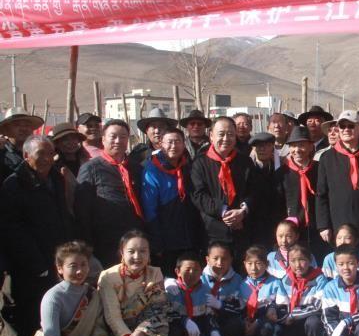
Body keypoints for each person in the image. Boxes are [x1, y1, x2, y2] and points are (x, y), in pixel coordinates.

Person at [0, 135, 75, 336]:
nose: (46, 159)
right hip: (30, 264)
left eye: (50, 154)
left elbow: (63, 215)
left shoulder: (55, 177)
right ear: (26, 155)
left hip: (57, 257)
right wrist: (36, 263)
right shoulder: (13, 185)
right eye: (40, 154)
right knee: (32, 315)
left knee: (56, 312)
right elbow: (12, 230)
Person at [98, 231, 169, 336]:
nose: (137, 257)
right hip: (118, 331)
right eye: (131, 251)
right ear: (122, 253)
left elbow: (158, 309)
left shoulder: (155, 273)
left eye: (143, 251)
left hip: (146, 327)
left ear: (149, 253)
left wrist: (141, 332)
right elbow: (112, 317)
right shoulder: (108, 277)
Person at [191, 116, 263, 263]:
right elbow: (198, 195)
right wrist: (223, 211)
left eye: (230, 134)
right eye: (221, 134)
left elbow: (255, 191)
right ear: (211, 135)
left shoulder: (245, 161)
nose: (226, 138)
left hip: (242, 230)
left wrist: (242, 211)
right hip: (212, 231)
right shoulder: (200, 162)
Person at [75, 119, 144, 266]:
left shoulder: (136, 168)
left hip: (135, 239)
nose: (118, 141)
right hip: (105, 241)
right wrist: (87, 246)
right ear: (103, 139)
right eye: (113, 136)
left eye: (123, 137)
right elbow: (82, 210)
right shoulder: (91, 168)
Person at [316, 110, 359, 248]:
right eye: (342, 126)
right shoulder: (327, 158)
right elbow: (321, 193)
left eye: (351, 126)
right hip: (337, 222)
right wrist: (323, 225)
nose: (346, 129)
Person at [141, 128, 201, 275]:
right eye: (170, 142)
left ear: (184, 144)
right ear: (161, 144)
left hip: (190, 236)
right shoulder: (152, 169)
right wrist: (156, 242)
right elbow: (149, 210)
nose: (174, 146)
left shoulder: (189, 166)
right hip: (167, 238)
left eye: (178, 141)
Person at [273, 244, 328, 336]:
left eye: (302, 260)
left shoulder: (319, 278)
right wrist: (286, 317)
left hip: (310, 321)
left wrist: (293, 315)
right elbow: (281, 305)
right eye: (293, 261)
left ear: (310, 260)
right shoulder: (285, 280)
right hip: (291, 325)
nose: (297, 265)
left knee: (313, 321)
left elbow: (317, 306)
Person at [229, 245, 282, 336]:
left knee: (267, 328)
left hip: (267, 322)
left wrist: (258, 323)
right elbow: (238, 308)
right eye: (250, 264)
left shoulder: (275, 283)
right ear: (244, 264)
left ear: (266, 264)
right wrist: (245, 322)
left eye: (258, 263)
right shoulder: (242, 285)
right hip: (248, 323)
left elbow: (279, 306)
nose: (254, 268)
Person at [163, 252, 215, 336]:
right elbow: (166, 314)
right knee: (173, 332)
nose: (192, 273)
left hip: (194, 330)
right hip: (176, 328)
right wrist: (184, 320)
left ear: (201, 271)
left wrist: (214, 331)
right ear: (178, 271)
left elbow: (208, 314)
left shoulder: (205, 290)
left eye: (196, 270)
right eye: (187, 269)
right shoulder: (171, 289)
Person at [276, 126, 326, 258]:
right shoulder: (282, 173)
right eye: (293, 146)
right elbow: (277, 204)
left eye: (302, 145)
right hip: (292, 230)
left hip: (317, 228)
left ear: (310, 147)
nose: (297, 150)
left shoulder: (320, 169)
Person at [201, 242, 243, 336]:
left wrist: (220, 305)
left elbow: (239, 308)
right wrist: (213, 330)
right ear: (207, 259)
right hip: (207, 323)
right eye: (215, 258)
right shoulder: (199, 279)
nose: (219, 263)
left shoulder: (238, 280)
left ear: (231, 260)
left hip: (227, 320)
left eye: (224, 259)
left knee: (236, 324)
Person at [249, 132, 283, 247]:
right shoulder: (247, 169)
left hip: (275, 224)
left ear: (272, 148)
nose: (262, 149)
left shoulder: (280, 170)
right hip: (253, 224)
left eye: (266, 146)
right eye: (259, 146)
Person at [0, 107, 43, 183]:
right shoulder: (2, 153)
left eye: (27, 125)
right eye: (17, 125)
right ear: (6, 130)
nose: (23, 128)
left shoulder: (39, 152)